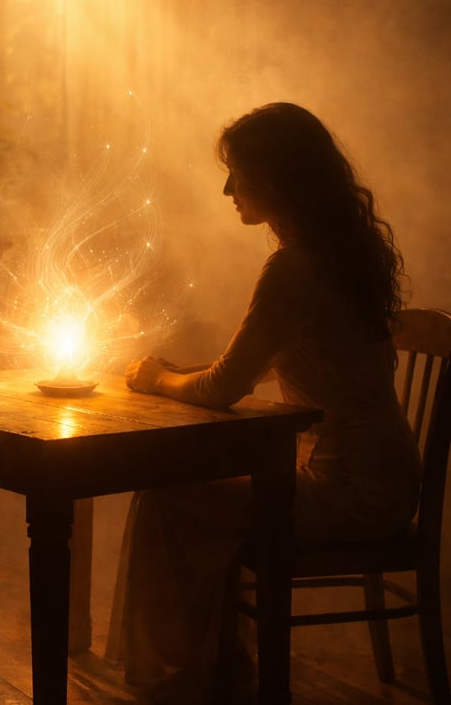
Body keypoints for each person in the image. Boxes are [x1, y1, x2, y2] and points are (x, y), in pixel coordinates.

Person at [121, 102, 421, 704]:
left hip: (353, 491)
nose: (228, 187)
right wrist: (192, 373)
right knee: (196, 491)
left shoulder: (292, 266)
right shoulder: (341, 251)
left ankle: (184, 681)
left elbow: (223, 389)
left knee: (167, 495)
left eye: (238, 171)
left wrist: (157, 379)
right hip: (386, 476)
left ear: (277, 176)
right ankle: (218, 668)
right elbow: (266, 365)